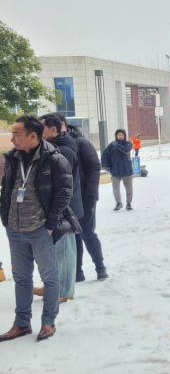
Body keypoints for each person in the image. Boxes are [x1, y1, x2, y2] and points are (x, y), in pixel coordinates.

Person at [0, 116, 77, 343]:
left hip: (41, 229)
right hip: (15, 228)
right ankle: (22, 323)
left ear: (33, 136)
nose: (12, 139)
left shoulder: (55, 159)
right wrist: (6, 220)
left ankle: (48, 322)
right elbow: (6, 190)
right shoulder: (12, 159)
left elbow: (64, 193)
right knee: (21, 277)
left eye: (16, 134)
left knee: (49, 277)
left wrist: (51, 225)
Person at [55, 114, 107, 282]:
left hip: (85, 196)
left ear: (63, 125)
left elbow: (94, 167)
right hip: (68, 199)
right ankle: (77, 272)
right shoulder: (53, 145)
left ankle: (100, 268)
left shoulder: (80, 142)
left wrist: (91, 195)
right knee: (74, 235)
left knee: (87, 233)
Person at [39, 114, 84, 302]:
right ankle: (54, 287)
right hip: (60, 207)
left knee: (64, 251)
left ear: (54, 129)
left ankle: (64, 291)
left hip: (65, 208)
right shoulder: (55, 146)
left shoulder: (63, 150)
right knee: (56, 251)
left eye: (41, 128)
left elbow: (61, 184)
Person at [101, 129, 134, 211]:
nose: (120, 136)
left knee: (129, 188)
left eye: (122, 135)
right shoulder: (112, 145)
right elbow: (104, 154)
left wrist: (117, 145)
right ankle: (118, 203)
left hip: (127, 170)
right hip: (115, 170)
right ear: (116, 136)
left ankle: (129, 203)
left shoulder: (128, 144)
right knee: (115, 188)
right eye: (119, 135)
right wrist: (104, 164)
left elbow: (126, 150)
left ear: (124, 136)